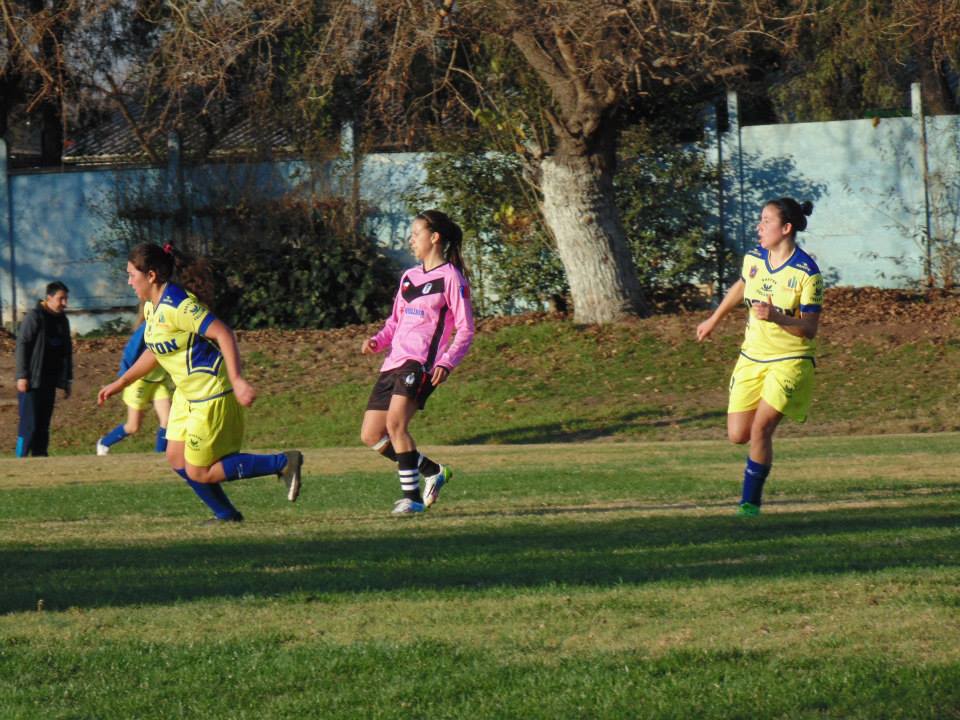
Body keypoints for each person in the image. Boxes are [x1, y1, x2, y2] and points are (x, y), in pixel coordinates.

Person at [97, 242, 303, 523]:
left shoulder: (178, 304)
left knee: (200, 471)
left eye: (132, 274)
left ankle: (283, 462)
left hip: (210, 392)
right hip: (186, 395)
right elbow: (154, 352)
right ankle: (226, 514)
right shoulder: (151, 308)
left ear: (152, 275)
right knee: (175, 458)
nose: (129, 280)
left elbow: (224, 333)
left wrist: (238, 379)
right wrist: (121, 382)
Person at [696, 198, 824, 516]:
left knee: (760, 430)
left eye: (766, 221)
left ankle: (749, 506)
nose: (759, 226)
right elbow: (743, 284)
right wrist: (714, 319)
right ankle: (752, 492)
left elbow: (809, 329)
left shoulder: (807, 272)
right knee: (738, 435)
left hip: (790, 360)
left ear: (786, 228)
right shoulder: (754, 257)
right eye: (760, 219)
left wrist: (777, 317)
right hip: (752, 357)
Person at [359, 210, 475, 515]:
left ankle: (411, 498)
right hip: (392, 363)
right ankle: (432, 471)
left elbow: (466, 328)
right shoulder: (409, 277)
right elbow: (394, 322)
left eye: (416, 234)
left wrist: (447, 361)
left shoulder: (452, 278)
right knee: (371, 434)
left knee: (396, 425)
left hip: (421, 364)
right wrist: (377, 340)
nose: (411, 240)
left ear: (434, 237)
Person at [96, 304, 173, 455]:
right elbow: (130, 352)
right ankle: (104, 443)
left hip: (158, 382)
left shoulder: (172, 324)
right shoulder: (147, 328)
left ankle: (160, 455)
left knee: (168, 421)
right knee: (133, 426)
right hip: (139, 382)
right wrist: (123, 378)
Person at [15, 281, 73, 457]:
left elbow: (66, 351)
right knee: (29, 424)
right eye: (60, 299)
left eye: (66, 299)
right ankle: (21, 457)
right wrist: (22, 375)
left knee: (43, 424)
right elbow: (22, 345)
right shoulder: (35, 317)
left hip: (49, 380)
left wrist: (66, 380)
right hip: (32, 380)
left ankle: (40, 458)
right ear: (48, 298)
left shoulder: (62, 320)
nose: (64, 303)